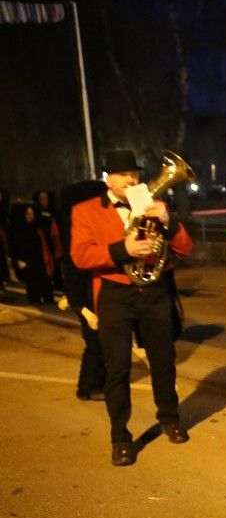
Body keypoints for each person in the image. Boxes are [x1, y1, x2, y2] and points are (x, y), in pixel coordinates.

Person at [70, 149, 194, 465]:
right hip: (114, 293)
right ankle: (120, 437)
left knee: (164, 361)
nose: (131, 179)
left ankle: (170, 417)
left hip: (154, 292)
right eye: (124, 174)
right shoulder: (85, 210)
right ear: (107, 178)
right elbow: (80, 256)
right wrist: (121, 249)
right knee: (117, 368)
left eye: (134, 174)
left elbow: (185, 248)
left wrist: (169, 222)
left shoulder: (154, 204)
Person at [59, 179, 108, 401]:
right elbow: (72, 273)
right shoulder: (75, 234)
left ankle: (97, 383)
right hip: (87, 300)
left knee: (101, 343)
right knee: (95, 344)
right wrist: (82, 308)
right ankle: (88, 387)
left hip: (96, 295)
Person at [8, 201, 56, 305]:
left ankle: (48, 298)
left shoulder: (36, 228)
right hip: (26, 261)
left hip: (39, 259)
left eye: (32, 213)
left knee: (44, 279)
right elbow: (12, 248)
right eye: (28, 213)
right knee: (32, 281)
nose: (31, 216)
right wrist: (17, 261)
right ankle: (35, 299)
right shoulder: (16, 230)